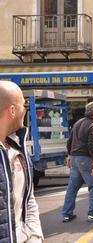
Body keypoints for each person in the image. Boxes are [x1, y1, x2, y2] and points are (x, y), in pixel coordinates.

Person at [0, 81, 44, 242]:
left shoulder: (17, 149)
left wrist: (35, 236)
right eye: (23, 104)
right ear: (12, 110)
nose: (25, 110)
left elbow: (28, 198)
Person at [62, 102, 93, 222]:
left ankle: (67, 214)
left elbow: (69, 142)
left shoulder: (78, 123)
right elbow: (92, 145)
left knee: (72, 187)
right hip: (86, 159)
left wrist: (69, 155)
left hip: (75, 160)